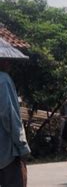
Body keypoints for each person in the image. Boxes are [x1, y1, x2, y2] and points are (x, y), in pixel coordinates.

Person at [0, 39, 30, 187]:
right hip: (6, 152)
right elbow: (9, 116)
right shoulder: (3, 80)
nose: (9, 64)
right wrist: (22, 146)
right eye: (7, 60)